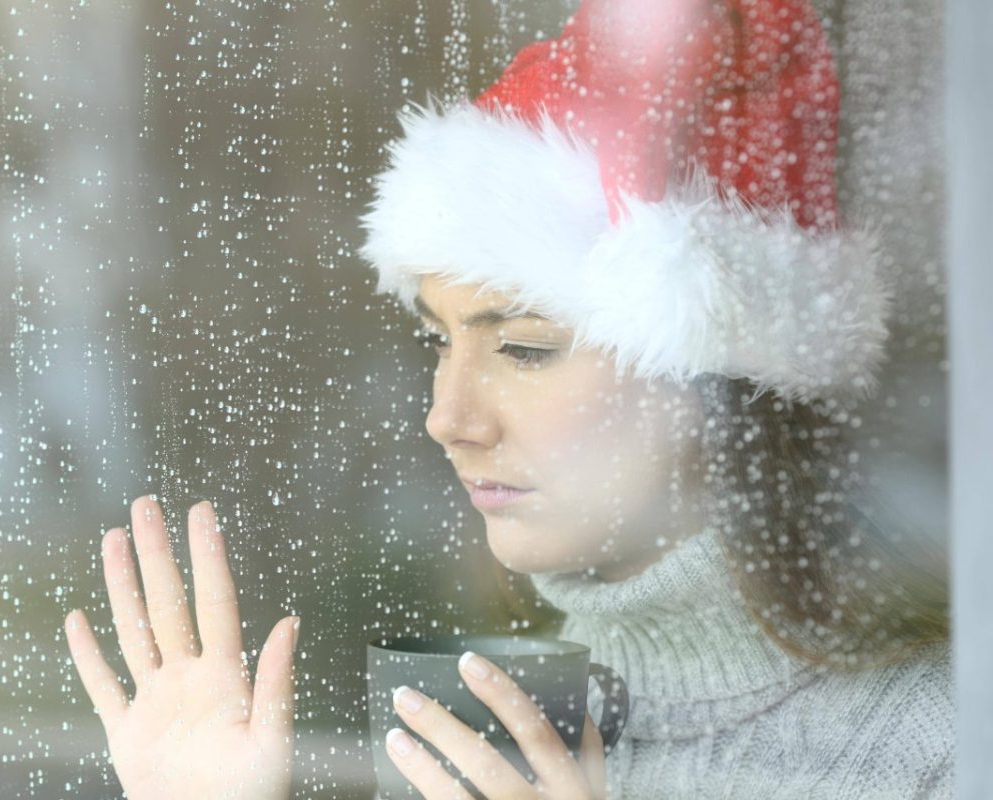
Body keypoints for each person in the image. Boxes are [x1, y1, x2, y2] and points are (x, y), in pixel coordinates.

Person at [64, 0, 954, 797]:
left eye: (524, 348)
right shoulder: (488, 714)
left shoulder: (938, 746)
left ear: (709, 378)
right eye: (438, 341)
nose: (447, 419)